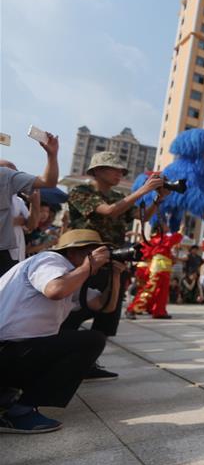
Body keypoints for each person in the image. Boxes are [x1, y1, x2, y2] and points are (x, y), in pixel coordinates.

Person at [0, 229, 123, 433]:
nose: (99, 256)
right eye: (90, 251)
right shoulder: (49, 260)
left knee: (80, 338)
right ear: (72, 252)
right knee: (90, 341)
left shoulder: (72, 275)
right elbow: (56, 290)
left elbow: (103, 305)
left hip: (12, 351)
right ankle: (18, 414)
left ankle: (6, 394)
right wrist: (88, 266)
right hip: (6, 349)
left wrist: (116, 275)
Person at [62, 151, 168, 379]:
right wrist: (142, 191)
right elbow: (109, 212)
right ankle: (60, 357)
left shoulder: (118, 196)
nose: (120, 173)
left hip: (114, 258)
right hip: (86, 259)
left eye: (122, 170)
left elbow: (144, 218)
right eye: (114, 169)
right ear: (98, 170)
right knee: (75, 310)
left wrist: (159, 199)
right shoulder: (80, 192)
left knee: (109, 313)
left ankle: (88, 362)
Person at [0, 133, 60, 276]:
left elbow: (31, 226)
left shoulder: (19, 201)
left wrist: (35, 203)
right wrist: (14, 221)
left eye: (16, 175)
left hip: (12, 256)